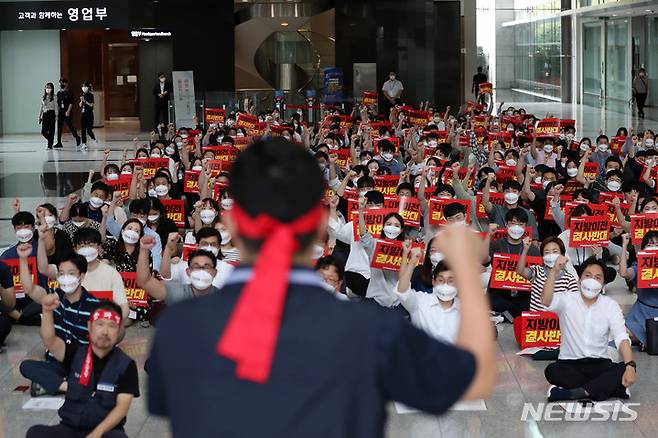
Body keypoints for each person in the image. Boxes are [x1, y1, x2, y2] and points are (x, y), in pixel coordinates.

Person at [147, 138, 496, 437]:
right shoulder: (370, 329)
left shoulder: (179, 327)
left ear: (232, 223)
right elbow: (467, 379)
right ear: (318, 225)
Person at [26, 300, 139, 438]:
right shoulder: (75, 353)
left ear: (119, 330)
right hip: (69, 428)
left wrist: (97, 433)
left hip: (106, 432)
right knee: (36, 433)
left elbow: (121, 409)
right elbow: (49, 339)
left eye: (111, 326)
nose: (105, 332)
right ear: (89, 326)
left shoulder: (126, 365)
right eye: (100, 324)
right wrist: (47, 312)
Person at [542, 257, 636, 402]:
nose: (592, 280)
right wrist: (554, 271)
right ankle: (607, 389)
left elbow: (621, 337)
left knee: (622, 369)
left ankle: (577, 392)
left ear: (603, 284)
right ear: (579, 280)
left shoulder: (610, 305)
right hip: (569, 363)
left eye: (598, 277)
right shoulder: (566, 300)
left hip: (599, 363)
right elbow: (546, 301)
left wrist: (630, 365)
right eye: (587, 275)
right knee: (552, 371)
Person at [18, 252, 101, 397]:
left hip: (81, 361)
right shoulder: (53, 296)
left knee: (99, 374)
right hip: (56, 360)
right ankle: (68, 386)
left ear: (81, 276)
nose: (65, 278)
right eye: (61, 273)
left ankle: (52, 384)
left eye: (70, 273)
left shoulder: (94, 306)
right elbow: (29, 288)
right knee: (26, 366)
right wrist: (23, 259)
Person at [395, 244, 460, 343]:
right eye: (441, 280)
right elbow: (402, 291)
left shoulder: (465, 310)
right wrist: (412, 262)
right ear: (433, 282)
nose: (445, 285)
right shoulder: (420, 301)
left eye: (451, 281)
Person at [55, 77, 81, 148]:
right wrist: (57, 113)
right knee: (59, 127)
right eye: (60, 82)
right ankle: (59, 142)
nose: (61, 84)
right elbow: (58, 104)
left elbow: (71, 103)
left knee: (71, 126)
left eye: (63, 82)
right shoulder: (58, 93)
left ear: (66, 84)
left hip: (67, 111)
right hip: (61, 112)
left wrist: (68, 111)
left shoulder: (69, 92)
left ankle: (77, 138)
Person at [39, 82, 58, 149]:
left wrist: (56, 115)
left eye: (49, 87)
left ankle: (49, 146)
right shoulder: (43, 97)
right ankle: (50, 140)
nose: (47, 89)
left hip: (51, 114)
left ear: (52, 89)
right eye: (46, 87)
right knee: (43, 131)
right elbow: (41, 107)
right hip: (45, 114)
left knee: (51, 130)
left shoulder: (54, 97)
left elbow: (56, 106)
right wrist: (39, 116)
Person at [79, 81, 96, 151]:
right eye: (82, 86)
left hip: (89, 113)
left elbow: (92, 105)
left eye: (85, 86)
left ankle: (94, 138)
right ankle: (84, 144)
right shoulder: (82, 95)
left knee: (89, 130)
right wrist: (81, 101)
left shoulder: (91, 95)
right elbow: (80, 105)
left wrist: (85, 101)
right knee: (83, 129)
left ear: (88, 87)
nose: (83, 88)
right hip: (83, 113)